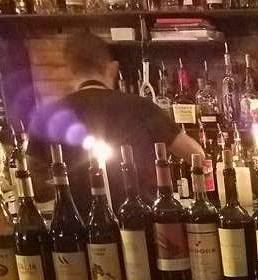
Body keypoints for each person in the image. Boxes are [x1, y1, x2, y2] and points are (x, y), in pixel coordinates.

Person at [27, 31, 204, 210]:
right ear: (112, 69)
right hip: (142, 220)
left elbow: (35, 186)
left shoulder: (46, 117)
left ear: (69, 71)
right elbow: (197, 156)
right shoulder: (141, 107)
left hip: (76, 224)